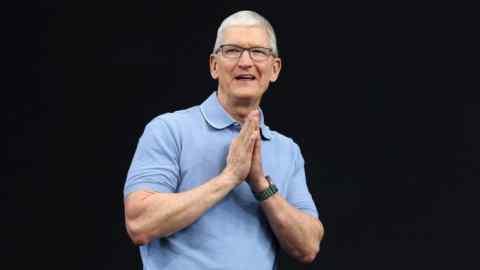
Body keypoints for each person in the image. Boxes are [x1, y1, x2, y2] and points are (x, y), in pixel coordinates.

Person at [123, 10, 324, 270]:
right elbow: (140, 224)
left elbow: (308, 245)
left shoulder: (287, 151)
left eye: (258, 52)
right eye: (232, 50)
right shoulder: (169, 130)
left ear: (274, 69)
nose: (245, 62)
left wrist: (261, 185)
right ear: (213, 65)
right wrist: (229, 177)